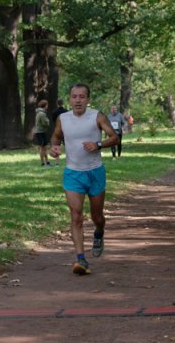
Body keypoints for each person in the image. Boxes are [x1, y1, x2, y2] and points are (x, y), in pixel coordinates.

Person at [49, 83, 119, 275]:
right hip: (73, 173)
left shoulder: (97, 116)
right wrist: (54, 148)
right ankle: (80, 259)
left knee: (97, 217)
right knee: (76, 216)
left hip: (95, 172)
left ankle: (99, 232)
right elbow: (55, 137)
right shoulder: (62, 119)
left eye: (82, 97)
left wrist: (98, 144)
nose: (78, 100)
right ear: (70, 99)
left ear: (88, 99)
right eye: (74, 96)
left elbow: (115, 137)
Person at [50, 99, 68, 166]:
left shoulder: (54, 112)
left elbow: (54, 121)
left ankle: (57, 163)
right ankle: (69, 160)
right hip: (66, 130)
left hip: (58, 130)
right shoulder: (66, 111)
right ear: (62, 103)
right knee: (68, 145)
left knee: (56, 146)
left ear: (57, 104)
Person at [34, 100, 51, 167]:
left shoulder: (40, 113)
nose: (47, 106)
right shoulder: (42, 114)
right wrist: (48, 121)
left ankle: (47, 162)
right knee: (42, 148)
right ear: (45, 105)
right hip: (41, 132)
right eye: (47, 105)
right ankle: (43, 163)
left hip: (41, 132)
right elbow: (45, 123)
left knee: (44, 148)